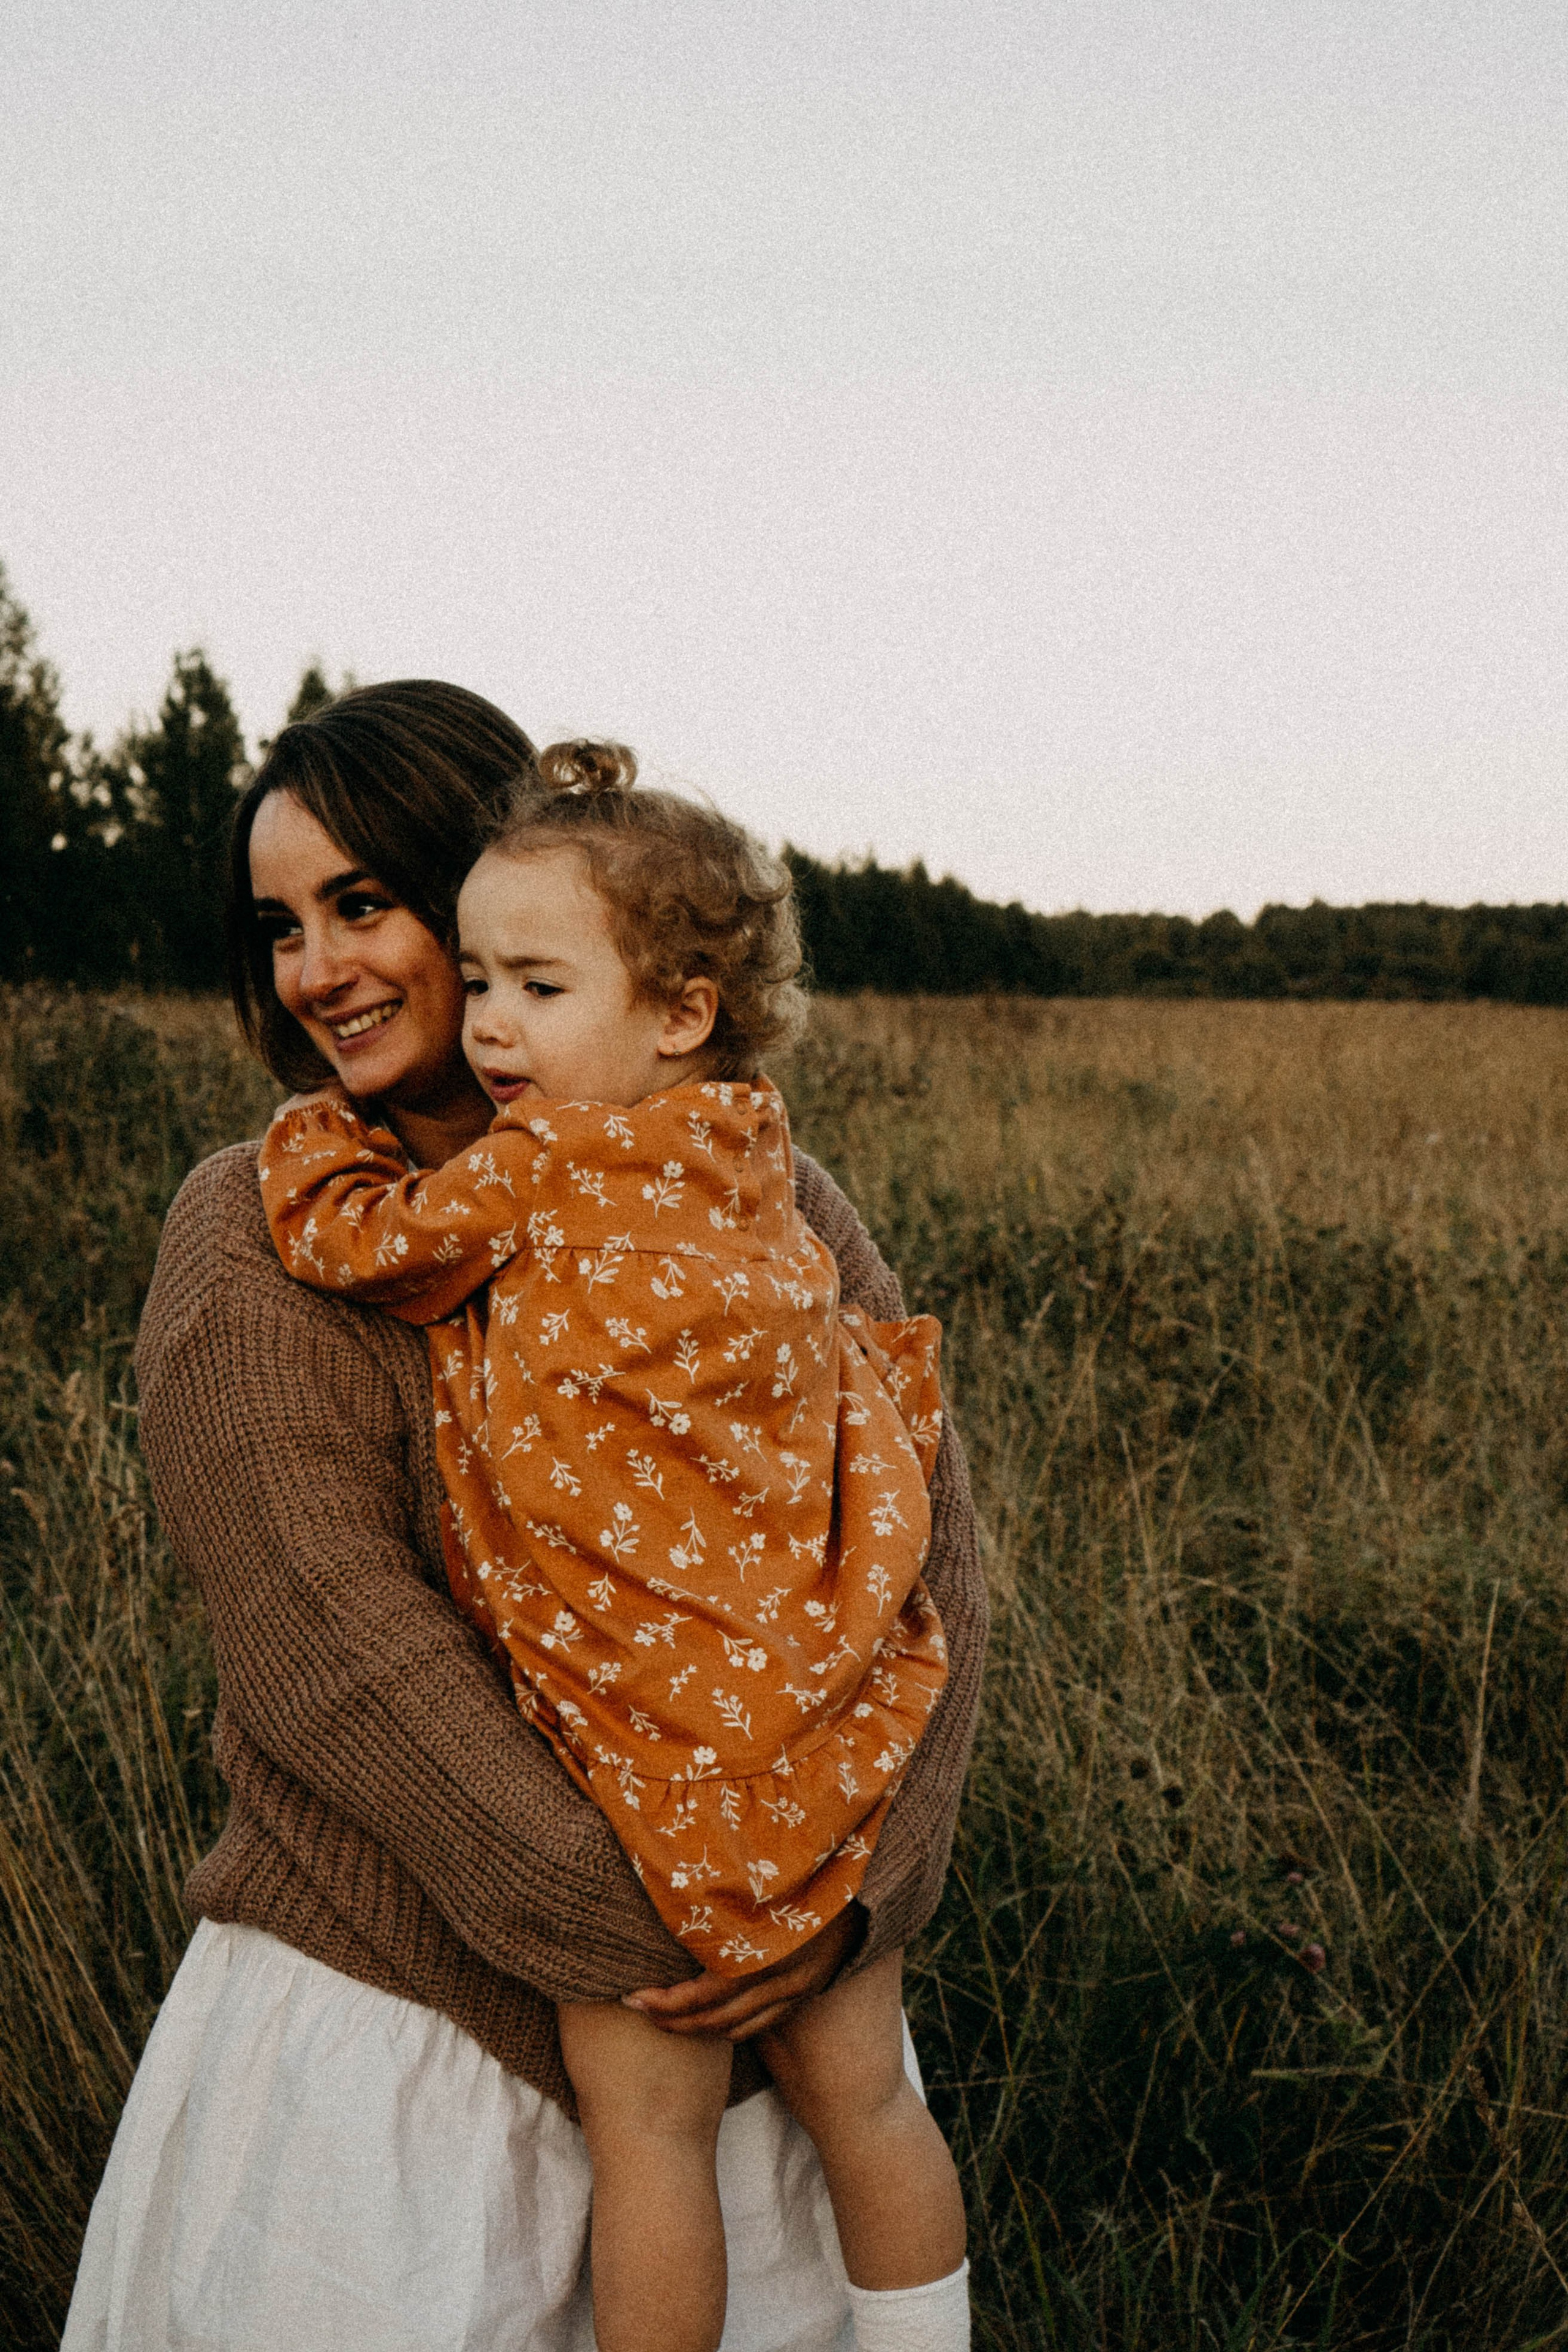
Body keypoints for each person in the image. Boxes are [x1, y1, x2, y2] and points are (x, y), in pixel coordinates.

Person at [62, 682, 988, 2352]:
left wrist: (854, 1900)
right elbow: (332, 1653)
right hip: (405, 2063)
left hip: (767, 2014)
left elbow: (919, 1545)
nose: (315, 968)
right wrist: (680, 1927)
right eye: (277, 927)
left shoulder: (741, 1176)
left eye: (362, 904)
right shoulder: (262, 1227)